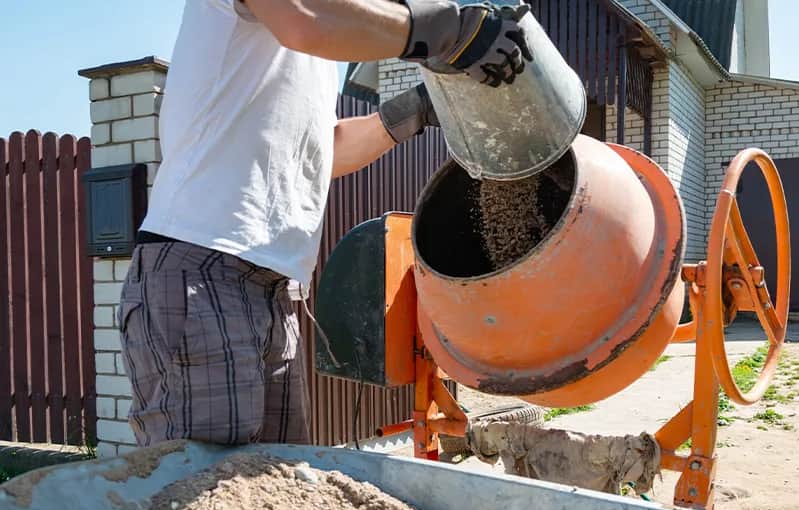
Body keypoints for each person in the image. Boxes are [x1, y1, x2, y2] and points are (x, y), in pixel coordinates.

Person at [118, 0, 533, 448]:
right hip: (201, 269)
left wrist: (416, 109)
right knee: (202, 495)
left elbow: (322, 150)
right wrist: (446, 28)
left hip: (273, 290)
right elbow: (306, 20)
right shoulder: (302, 19)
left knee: (279, 486)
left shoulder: (309, 54)